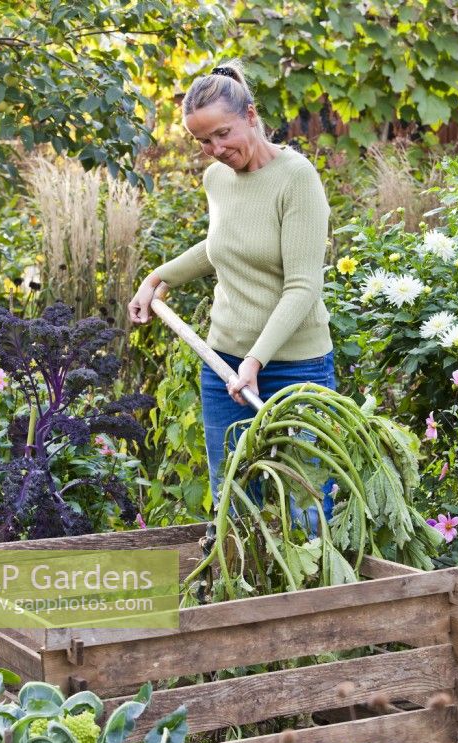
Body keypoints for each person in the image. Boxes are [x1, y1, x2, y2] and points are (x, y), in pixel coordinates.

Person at [128, 59, 335, 520]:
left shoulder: (296, 178)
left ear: (251, 116)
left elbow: (302, 287)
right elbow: (222, 246)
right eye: (203, 141)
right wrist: (156, 279)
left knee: (305, 510)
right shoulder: (216, 179)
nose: (215, 149)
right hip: (223, 367)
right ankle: (241, 593)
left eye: (222, 134)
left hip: (296, 369)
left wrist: (256, 362)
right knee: (236, 504)